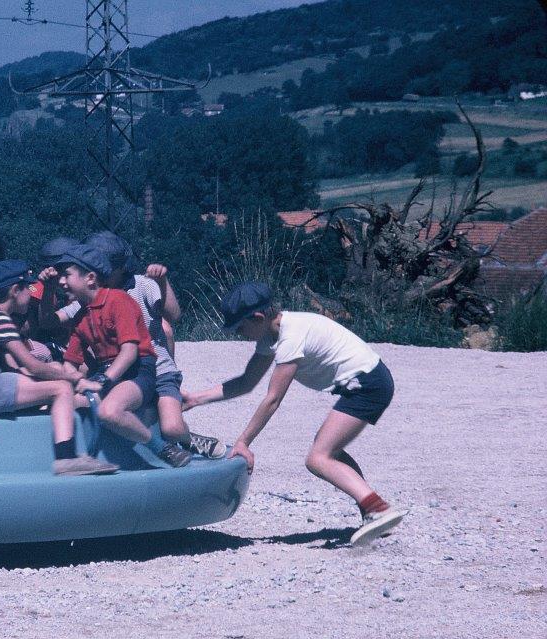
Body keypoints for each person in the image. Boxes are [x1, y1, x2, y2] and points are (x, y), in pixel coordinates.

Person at [183, 282, 406, 546]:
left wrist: (243, 442)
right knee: (329, 451)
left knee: (318, 458)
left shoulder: (291, 337)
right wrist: (195, 399)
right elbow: (246, 382)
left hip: (368, 384)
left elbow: (272, 399)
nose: (239, 334)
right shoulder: (272, 335)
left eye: (240, 328)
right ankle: (373, 510)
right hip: (365, 382)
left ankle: (378, 510)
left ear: (258, 317)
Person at [0, 259, 118, 477]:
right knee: (60, 388)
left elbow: (14, 367)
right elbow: (32, 365)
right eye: (28, 289)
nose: (32, 295)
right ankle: (67, 459)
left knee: (49, 377)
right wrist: (76, 380)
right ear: (15, 290)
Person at [83, 231, 222, 460]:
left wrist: (162, 282)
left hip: (158, 369)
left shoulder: (142, 285)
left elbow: (174, 314)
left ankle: (190, 440)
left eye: (101, 267)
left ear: (119, 267)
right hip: (124, 373)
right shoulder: (92, 294)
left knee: (173, 429)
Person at [54, 245, 190, 468]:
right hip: (108, 375)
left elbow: (129, 352)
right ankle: (75, 460)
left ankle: (162, 449)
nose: (61, 281)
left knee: (109, 411)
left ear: (90, 278)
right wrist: (75, 381)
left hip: (138, 373)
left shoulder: (118, 300)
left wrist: (102, 380)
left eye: (66, 275)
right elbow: (70, 363)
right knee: (66, 401)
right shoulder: (81, 317)